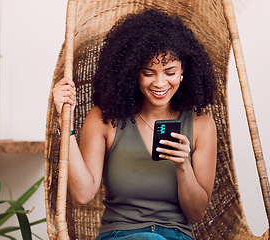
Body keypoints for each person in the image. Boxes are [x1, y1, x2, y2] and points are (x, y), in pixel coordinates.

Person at [53, 9, 217, 240]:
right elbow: (83, 193)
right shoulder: (105, 118)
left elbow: (196, 214)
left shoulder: (202, 126)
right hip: (119, 235)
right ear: (132, 74)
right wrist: (65, 120)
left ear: (183, 71)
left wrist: (183, 166)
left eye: (169, 72)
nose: (160, 83)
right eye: (148, 73)